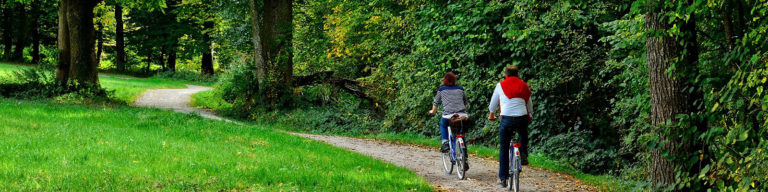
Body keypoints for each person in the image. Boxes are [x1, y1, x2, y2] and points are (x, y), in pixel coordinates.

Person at [487, 65, 532, 187]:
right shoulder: (523, 85)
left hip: (506, 119)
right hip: (521, 118)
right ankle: (522, 152)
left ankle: (503, 178)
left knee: (504, 148)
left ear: (506, 75)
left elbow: (493, 104)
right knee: (523, 133)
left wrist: (492, 115)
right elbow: (529, 103)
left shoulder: (500, 85)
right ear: (517, 75)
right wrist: (530, 115)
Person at [428, 72, 469, 153]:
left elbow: (436, 102)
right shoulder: (460, 89)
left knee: (443, 124)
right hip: (462, 115)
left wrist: (432, 111)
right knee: (461, 133)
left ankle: (445, 142)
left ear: (445, 80)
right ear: (454, 80)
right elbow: (465, 103)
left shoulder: (441, 89)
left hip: (448, 115)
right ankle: (465, 159)